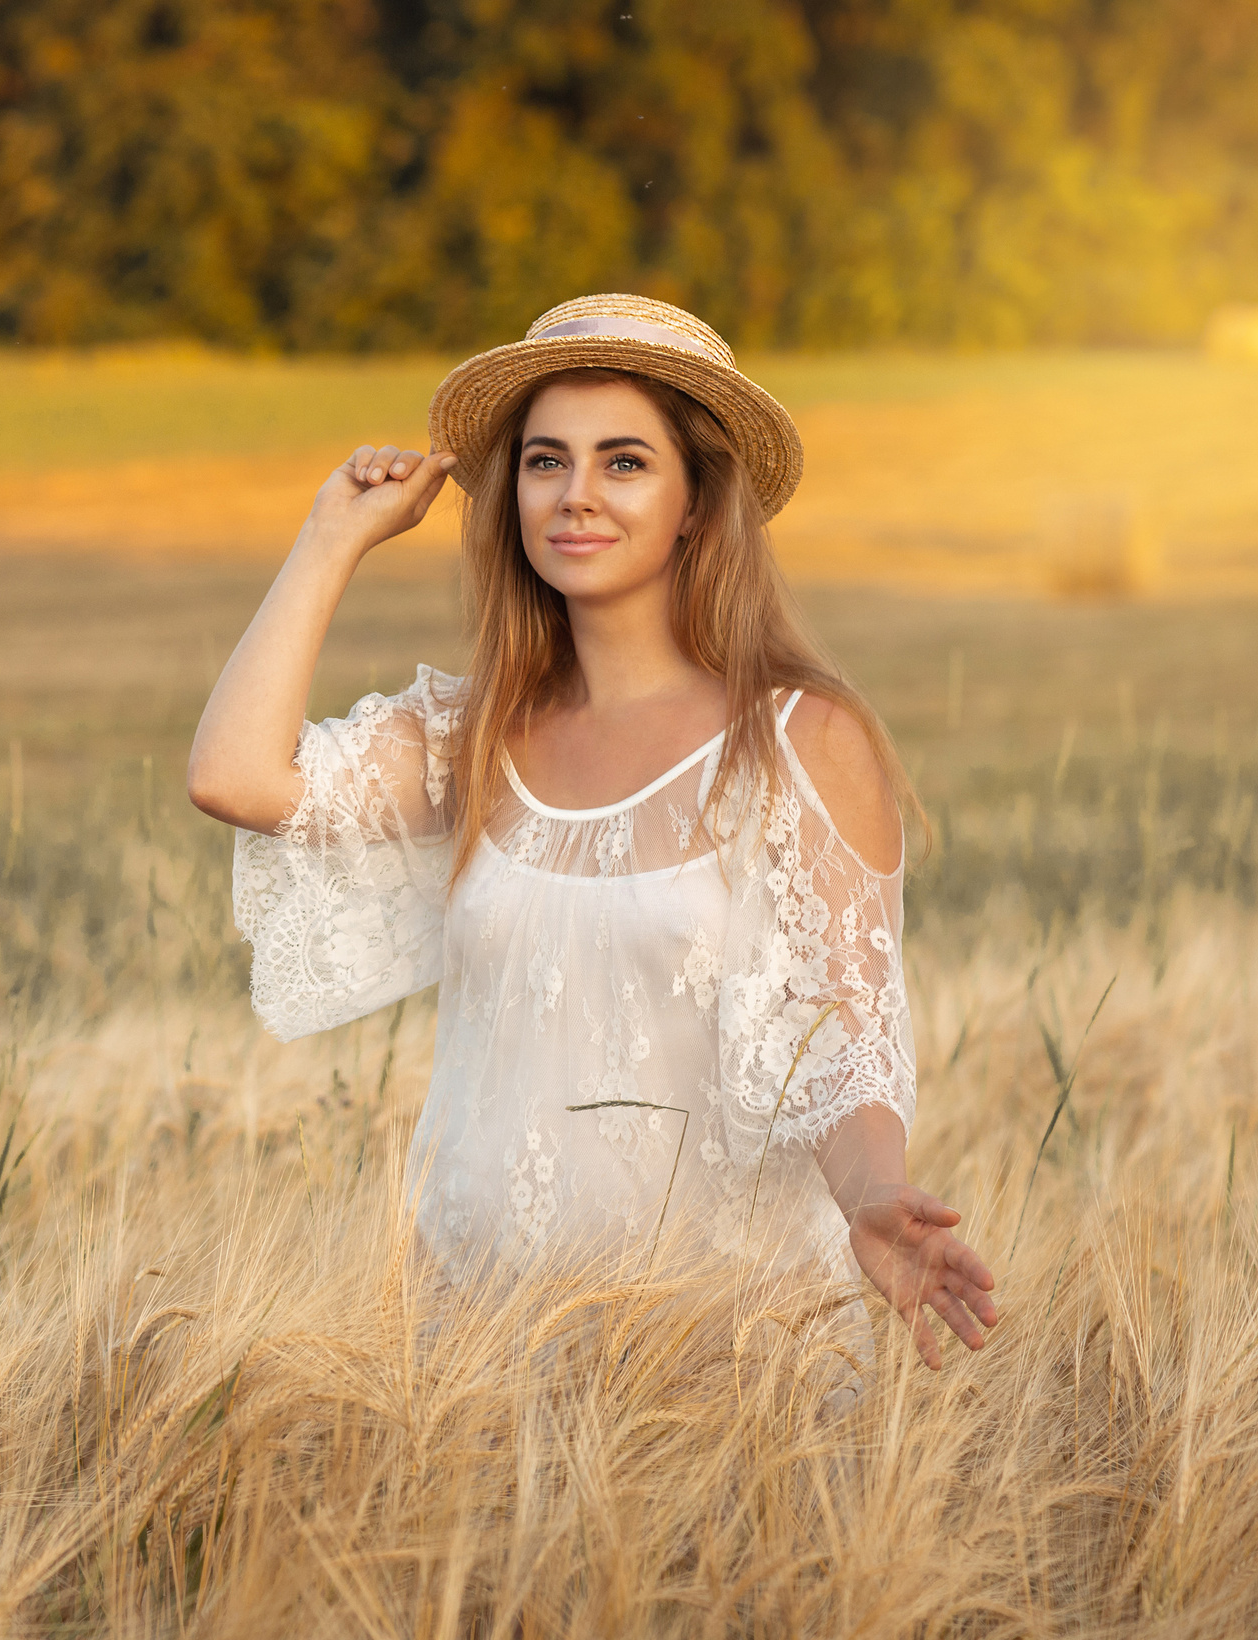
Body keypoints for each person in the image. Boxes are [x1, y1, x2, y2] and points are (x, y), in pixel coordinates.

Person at [187, 294, 998, 1374]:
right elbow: (236, 775)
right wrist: (331, 539)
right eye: (542, 462)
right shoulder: (473, 737)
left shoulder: (798, 738)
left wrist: (873, 1196)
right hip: (473, 1341)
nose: (575, 497)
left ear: (696, 504)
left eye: (623, 463)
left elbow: (847, 1047)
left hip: (723, 1349)